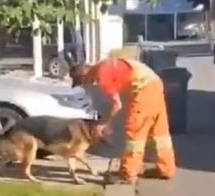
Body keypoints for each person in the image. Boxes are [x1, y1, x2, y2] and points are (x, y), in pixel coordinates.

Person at [69, 56, 176, 184]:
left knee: (135, 134)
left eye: (82, 82)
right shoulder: (103, 64)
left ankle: (128, 174)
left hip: (144, 89)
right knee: (160, 133)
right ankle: (166, 169)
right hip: (155, 84)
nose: (86, 85)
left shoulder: (101, 75)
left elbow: (117, 104)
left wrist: (105, 124)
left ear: (84, 76)